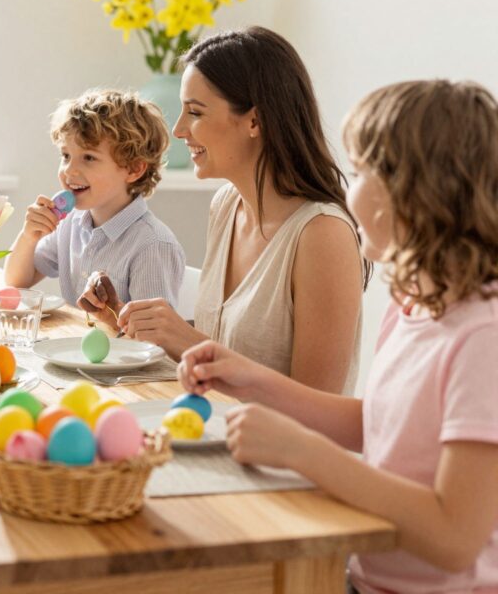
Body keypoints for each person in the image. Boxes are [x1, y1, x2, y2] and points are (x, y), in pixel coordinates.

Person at [179, 79, 498, 593]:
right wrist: (251, 379)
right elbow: (379, 422)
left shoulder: (483, 336)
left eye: (362, 171)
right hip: (365, 577)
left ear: (415, 192)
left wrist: (304, 451)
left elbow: (454, 536)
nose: (348, 191)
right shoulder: (415, 302)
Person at [117, 27, 367, 393]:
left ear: (254, 120)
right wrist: (136, 323)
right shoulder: (226, 205)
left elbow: (318, 408)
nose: (179, 128)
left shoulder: (322, 234)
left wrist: (188, 341)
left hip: (279, 450)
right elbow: (226, 355)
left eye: (195, 112)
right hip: (209, 432)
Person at [4, 89, 185, 321]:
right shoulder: (69, 223)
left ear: (133, 169)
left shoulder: (152, 246)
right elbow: (16, 284)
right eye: (66, 155)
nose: (69, 170)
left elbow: (154, 341)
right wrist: (29, 236)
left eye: (88, 158)